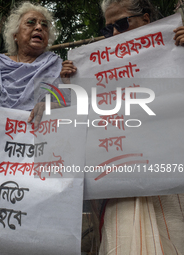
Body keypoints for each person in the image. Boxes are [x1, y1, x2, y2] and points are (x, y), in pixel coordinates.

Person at [60, 0, 184, 254]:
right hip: (120, 184)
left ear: (146, 21)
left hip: (170, 184)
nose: (114, 34)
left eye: (122, 24)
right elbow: (76, 121)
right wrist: (69, 83)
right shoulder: (97, 69)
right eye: (108, 29)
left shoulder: (175, 50)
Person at [0, 1, 76, 122]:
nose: (39, 27)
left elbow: (75, 109)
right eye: (30, 22)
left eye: (44, 25)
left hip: (42, 137)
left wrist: (54, 107)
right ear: (15, 35)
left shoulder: (58, 67)